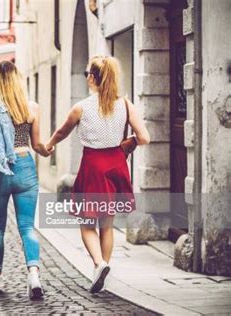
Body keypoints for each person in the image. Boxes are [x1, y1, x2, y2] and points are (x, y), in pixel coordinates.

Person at [46, 56, 150, 293]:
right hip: (116, 164)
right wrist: (128, 143)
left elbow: (62, 132)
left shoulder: (81, 107)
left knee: (86, 223)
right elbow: (145, 137)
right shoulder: (125, 104)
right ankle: (101, 271)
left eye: (87, 74)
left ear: (93, 78)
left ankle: (99, 264)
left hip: (93, 166)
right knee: (107, 224)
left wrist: (49, 145)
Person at [0, 60, 51, 300]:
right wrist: (47, 150)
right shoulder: (31, 107)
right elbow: (37, 145)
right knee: (27, 226)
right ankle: (34, 274)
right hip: (25, 165)